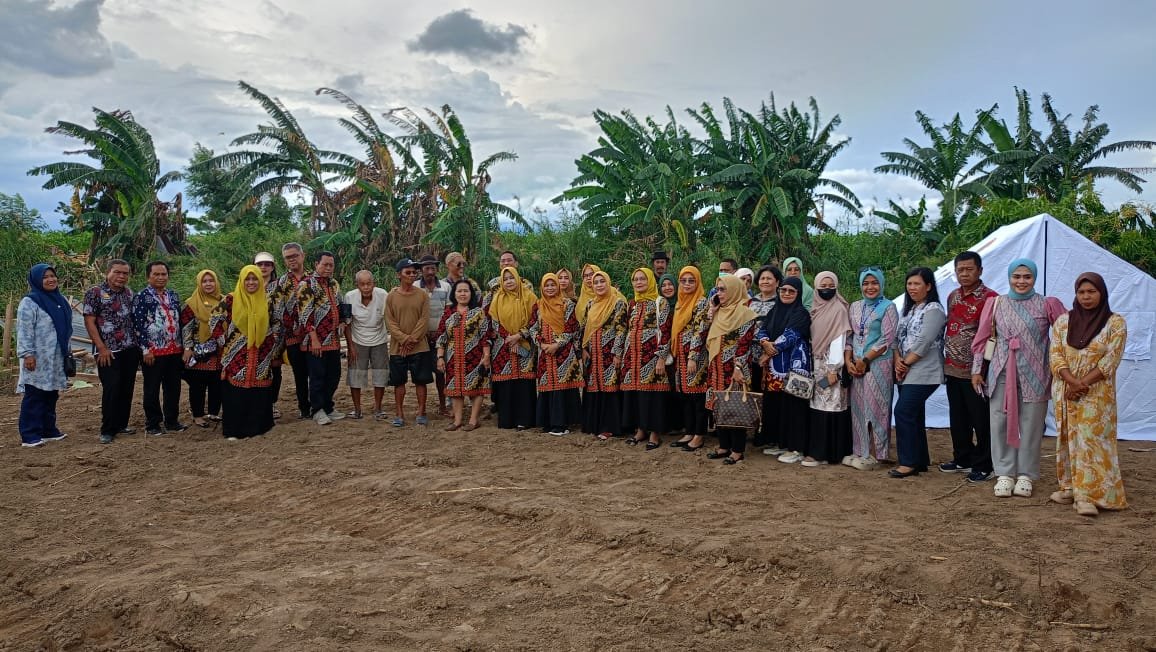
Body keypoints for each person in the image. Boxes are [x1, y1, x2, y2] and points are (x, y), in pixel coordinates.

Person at [971, 259, 1066, 499]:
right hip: (1001, 372)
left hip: (1036, 373)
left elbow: (1067, 333)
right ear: (1009, 277)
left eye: (1027, 277)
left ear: (1034, 278)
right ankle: (1004, 473)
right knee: (999, 421)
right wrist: (976, 370)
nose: (1021, 281)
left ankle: (1025, 475)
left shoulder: (1047, 304)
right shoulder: (996, 304)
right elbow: (983, 341)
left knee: (1032, 424)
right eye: (1016, 276)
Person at [1048, 272, 1129, 517]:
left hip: (1096, 393)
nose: (1086, 297)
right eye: (1081, 292)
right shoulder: (1063, 321)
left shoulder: (1115, 323)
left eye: (1091, 292)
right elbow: (1056, 355)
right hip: (1065, 389)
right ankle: (1070, 487)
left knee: (1091, 440)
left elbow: (1110, 362)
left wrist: (1081, 383)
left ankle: (1088, 495)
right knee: (1065, 438)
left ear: (1102, 293)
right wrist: (1071, 382)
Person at [940, 252, 998, 482]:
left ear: (980, 271)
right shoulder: (953, 296)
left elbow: (992, 336)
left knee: (980, 419)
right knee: (958, 417)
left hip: (976, 371)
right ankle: (963, 457)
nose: (964, 274)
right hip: (952, 368)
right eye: (960, 270)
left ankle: (985, 463)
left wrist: (982, 369)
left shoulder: (991, 298)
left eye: (969, 269)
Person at [688, 274, 758, 465]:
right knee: (719, 406)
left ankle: (737, 450)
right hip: (716, 366)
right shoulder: (718, 311)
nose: (719, 293)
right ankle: (723, 446)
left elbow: (745, 344)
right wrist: (711, 311)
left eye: (723, 289)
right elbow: (701, 333)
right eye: (718, 289)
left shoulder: (745, 313)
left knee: (735, 407)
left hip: (735, 368)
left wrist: (738, 367)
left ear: (735, 290)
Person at [210, 265, 282, 440]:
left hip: (261, 353)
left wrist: (272, 341)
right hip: (236, 354)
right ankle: (234, 430)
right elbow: (214, 319)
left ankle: (259, 429)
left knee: (259, 392)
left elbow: (278, 322)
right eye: (247, 279)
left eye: (254, 279)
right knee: (235, 393)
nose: (251, 282)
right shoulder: (231, 299)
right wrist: (225, 341)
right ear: (242, 281)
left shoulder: (267, 300)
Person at [890, 267, 946, 478]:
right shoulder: (909, 310)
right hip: (905, 368)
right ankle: (920, 460)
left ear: (929, 286)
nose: (912, 288)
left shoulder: (934, 310)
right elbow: (895, 339)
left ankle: (908, 462)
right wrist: (898, 361)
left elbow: (925, 341)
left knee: (903, 411)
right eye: (909, 284)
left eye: (917, 284)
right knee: (914, 414)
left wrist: (904, 363)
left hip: (925, 370)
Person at [844, 267, 898, 470]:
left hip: (878, 364)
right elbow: (850, 336)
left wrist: (865, 359)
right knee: (858, 408)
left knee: (877, 407)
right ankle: (860, 451)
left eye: (874, 283)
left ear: (881, 284)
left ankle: (878, 454)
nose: (870, 287)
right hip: (856, 364)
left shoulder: (888, 307)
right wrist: (849, 360)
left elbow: (887, 338)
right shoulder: (855, 306)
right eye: (865, 283)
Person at [756, 277, 813, 464]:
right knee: (777, 406)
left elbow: (791, 335)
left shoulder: (801, 313)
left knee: (794, 406)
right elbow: (762, 330)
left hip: (794, 367)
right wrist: (765, 343)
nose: (786, 294)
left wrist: (768, 353)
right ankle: (781, 442)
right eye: (783, 290)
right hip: (775, 369)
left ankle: (796, 447)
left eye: (791, 291)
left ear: (798, 294)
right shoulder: (775, 311)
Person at [83, 259, 140, 444]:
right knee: (111, 388)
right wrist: (101, 347)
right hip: (108, 350)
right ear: (108, 272)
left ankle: (122, 424)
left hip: (129, 349)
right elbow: (90, 321)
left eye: (125, 273)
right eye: (117, 272)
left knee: (126, 388)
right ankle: (107, 429)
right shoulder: (95, 293)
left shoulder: (129, 293)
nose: (121, 276)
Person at [16, 264, 72, 447]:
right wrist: (27, 354)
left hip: (55, 357)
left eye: (53, 276)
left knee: (51, 393)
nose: (51, 280)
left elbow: (66, 330)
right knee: (35, 394)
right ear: (37, 281)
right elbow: (24, 330)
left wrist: (67, 352)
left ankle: (48, 430)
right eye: (45, 277)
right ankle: (30, 434)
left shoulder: (60, 300)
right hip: (37, 357)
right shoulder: (30, 302)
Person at [619, 268, 673, 450]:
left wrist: (661, 358)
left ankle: (655, 433)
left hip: (651, 357)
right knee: (636, 395)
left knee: (653, 395)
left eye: (643, 279)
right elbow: (626, 329)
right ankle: (640, 430)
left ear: (650, 281)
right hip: (632, 358)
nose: (639, 282)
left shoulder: (660, 303)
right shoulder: (632, 304)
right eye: (635, 279)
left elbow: (665, 331)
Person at [803, 271, 852, 467]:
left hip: (832, 369)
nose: (827, 289)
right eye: (822, 285)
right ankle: (819, 451)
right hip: (817, 365)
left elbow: (839, 338)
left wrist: (833, 369)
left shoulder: (838, 309)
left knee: (830, 407)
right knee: (817, 406)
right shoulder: (815, 308)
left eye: (831, 286)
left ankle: (827, 454)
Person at [133, 261, 187, 435]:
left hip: (174, 350)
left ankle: (172, 421)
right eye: (156, 274)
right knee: (152, 389)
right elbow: (138, 325)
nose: (160, 277)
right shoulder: (142, 296)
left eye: (163, 274)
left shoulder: (173, 295)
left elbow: (180, 321)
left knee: (173, 388)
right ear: (148, 276)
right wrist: (145, 350)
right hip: (153, 352)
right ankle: (153, 424)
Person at [528, 273, 582, 435]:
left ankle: (562, 424)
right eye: (547, 285)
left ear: (558, 286)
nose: (550, 288)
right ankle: (548, 422)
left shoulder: (567, 304)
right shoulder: (538, 305)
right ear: (542, 287)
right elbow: (532, 327)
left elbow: (572, 327)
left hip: (563, 352)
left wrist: (557, 345)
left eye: (553, 285)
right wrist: (542, 344)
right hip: (545, 353)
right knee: (547, 385)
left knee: (563, 385)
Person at [297, 251, 347, 425]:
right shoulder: (307, 285)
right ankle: (317, 409)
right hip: (315, 340)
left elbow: (341, 305)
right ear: (316, 264)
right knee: (317, 376)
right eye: (325, 264)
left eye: (331, 265)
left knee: (334, 375)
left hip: (332, 339)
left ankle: (328, 406)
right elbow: (305, 313)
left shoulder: (333, 284)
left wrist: (342, 322)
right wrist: (314, 339)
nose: (328, 268)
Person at [486, 267, 538, 430]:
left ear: (518, 279)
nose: (509, 281)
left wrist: (519, 336)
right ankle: (507, 420)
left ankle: (525, 420)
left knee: (524, 384)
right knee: (506, 385)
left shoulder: (530, 296)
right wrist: (509, 338)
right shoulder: (497, 298)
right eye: (506, 279)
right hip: (503, 346)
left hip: (525, 345)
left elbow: (536, 319)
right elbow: (494, 321)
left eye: (512, 278)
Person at [436, 280, 491, 431]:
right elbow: (441, 336)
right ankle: (458, 420)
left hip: (475, 356)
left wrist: (486, 356)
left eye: (466, 291)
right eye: (459, 291)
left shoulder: (479, 312)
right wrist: (440, 357)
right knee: (455, 389)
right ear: (454, 294)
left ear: (471, 294)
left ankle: (473, 420)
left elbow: (485, 335)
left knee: (476, 387)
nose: (462, 294)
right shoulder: (448, 313)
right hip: (453, 358)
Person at [582, 270, 629, 439]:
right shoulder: (590, 304)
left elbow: (621, 330)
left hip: (610, 354)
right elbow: (585, 328)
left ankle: (610, 426)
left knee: (611, 388)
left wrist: (617, 353)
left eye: (602, 281)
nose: (599, 285)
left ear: (608, 283)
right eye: (596, 282)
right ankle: (594, 425)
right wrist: (584, 348)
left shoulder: (617, 303)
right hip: (594, 355)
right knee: (595, 388)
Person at [386, 258, 432, 427]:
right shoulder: (391, 296)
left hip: (419, 347)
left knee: (421, 381)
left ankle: (421, 411)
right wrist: (404, 340)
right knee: (398, 382)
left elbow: (424, 319)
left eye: (414, 272)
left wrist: (412, 340)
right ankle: (399, 413)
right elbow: (389, 322)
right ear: (399, 275)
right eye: (408, 272)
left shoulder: (422, 295)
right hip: (398, 348)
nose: (412, 275)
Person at [668, 266, 710, 452]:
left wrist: (693, 357)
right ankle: (689, 431)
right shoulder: (679, 302)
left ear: (698, 282)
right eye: (683, 280)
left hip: (696, 356)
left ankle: (699, 435)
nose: (686, 284)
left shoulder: (701, 302)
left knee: (697, 397)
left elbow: (700, 331)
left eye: (691, 281)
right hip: (681, 356)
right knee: (685, 396)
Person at [180, 270, 223, 428]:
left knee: (216, 383)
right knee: (197, 385)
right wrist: (187, 347)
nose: (208, 284)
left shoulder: (223, 301)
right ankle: (198, 415)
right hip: (198, 352)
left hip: (218, 351)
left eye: (211, 280)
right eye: (204, 281)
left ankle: (213, 412)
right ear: (199, 284)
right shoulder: (191, 303)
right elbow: (186, 327)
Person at [345, 270, 389, 419]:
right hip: (358, 340)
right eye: (362, 284)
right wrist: (351, 347)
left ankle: (378, 409)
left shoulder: (383, 295)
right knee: (355, 375)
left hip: (380, 340)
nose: (366, 287)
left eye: (368, 283)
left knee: (380, 374)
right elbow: (347, 324)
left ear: (373, 284)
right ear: (357, 285)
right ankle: (357, 410)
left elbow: (389, 318)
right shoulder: (349, 297)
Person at [275, 242, 311, 420]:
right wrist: (295, 328)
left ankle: (319, 404)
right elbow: (279, 310)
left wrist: (308, 328)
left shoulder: (314, 278)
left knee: (316, 371)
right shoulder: (282, 282)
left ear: (302, 256)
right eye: (288, 257)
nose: (292, 260)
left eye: (294, 256)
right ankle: (304, 408)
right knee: (300, 374)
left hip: (313, 335)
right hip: (292, 337)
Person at [418, 255, 452, 415]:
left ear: (437, 269)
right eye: (426, 268)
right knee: (422, 374)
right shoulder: (415, 286)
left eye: (433, 268)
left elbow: (448, 312)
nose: (430, 271)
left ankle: (442, 406)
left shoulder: (445, 287)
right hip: (421, 338)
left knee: (441, 373)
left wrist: (440, 334)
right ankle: (422, 408)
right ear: (421, 270)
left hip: (441, 338)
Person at [254, 251, 284, 419]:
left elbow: (279, 314)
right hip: (252, 336)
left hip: (274, 335)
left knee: (274, 369)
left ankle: (271, 403)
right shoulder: (249, 284)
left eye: (267, 264)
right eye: (260, 264)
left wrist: (275, 337)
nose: (263, 267)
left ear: (272, 267)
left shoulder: (277, 287)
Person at [747, 265, 782, 398]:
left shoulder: (780, 302)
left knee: (769, 394)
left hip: (770, 354)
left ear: (777, 282)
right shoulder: (751, 302)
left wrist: (769, 351)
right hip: (751, 355)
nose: (765, 281)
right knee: (753, 393)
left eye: (769, 278)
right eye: (762, 278)